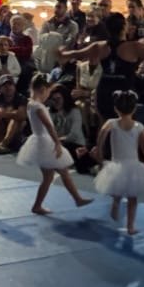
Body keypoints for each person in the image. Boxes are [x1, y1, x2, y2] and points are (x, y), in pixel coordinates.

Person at [61, 11, 144, 125]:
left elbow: (75, 54)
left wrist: (60, 53)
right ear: (123, 28)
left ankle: (103, 151)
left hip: (104, 93)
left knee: (105, 130)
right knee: (125, 130)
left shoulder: (99, 46)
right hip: (124, 95)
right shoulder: (131, 47)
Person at [15, 73, 90, 215]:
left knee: (50, 177)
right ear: (43, 89)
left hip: (38, 141)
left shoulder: (31, 104)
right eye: (48, 92)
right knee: (63, 172)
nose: (48, 97)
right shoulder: (38, 107)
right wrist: (57, 143)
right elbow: (49, 127)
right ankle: (77, 199)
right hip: (45, 141)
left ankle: (39, 205)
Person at [93, 90, 144, 236]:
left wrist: (98, 150)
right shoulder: (139, 126)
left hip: (116, 164)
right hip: (133, 165)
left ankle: (116, 204)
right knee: (132, 197)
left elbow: (101, 135)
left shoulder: (111, 123)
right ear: (135, 108)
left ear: (115, 108)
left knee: (117, 187)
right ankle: (130, 226)